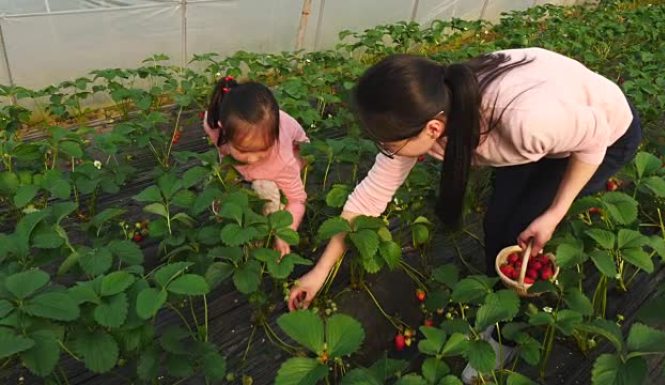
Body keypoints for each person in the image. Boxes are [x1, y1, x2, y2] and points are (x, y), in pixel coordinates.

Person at [287, 47, 641, 383]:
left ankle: (508, 334)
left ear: (432, 130)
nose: (384, 149)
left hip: (605, 133)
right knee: (500, 221)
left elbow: (593, 141)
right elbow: (368, 200)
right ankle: (503, 297)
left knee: (517, 229)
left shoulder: (523, 122)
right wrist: (320, 272)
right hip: (550, 123)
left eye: (387, 143)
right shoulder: (433, 104)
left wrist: (554, 213)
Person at [203, 76, 309, 256]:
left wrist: (285, 232)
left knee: (265, 189)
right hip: (249, 147)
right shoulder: (214, 125)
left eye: (262, 150)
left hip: (291, 157)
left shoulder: (282, 160)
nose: (252, 159)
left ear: (274, 139)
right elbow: (225, 158)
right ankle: (239, 220)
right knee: (228, 185)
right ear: (224, 130)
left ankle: (263, 232)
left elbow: (297, 200)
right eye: (243, 151)